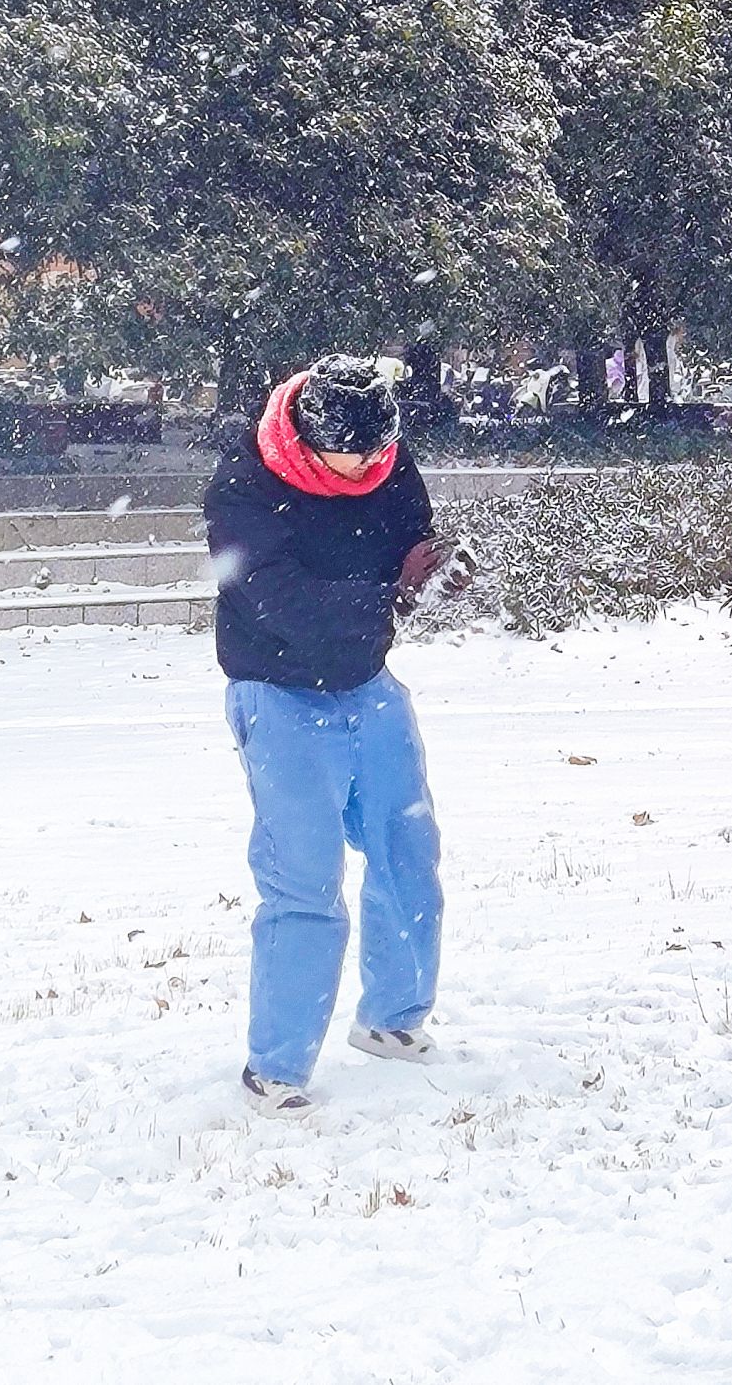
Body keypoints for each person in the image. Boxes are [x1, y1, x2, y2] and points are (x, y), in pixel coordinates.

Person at [206, 353, 469, 1110]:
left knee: (406, 848)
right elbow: (276, 597)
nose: (363, 469)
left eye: (375, 454)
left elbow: (409, 544)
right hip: (277, 691)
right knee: (305, 880)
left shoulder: (385, 457)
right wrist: (389, 597)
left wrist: (433, 572)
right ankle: (277, 1065)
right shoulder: (245, 482)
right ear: (306, 435)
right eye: (346, 455)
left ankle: (392, 1019)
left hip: (368, 682)